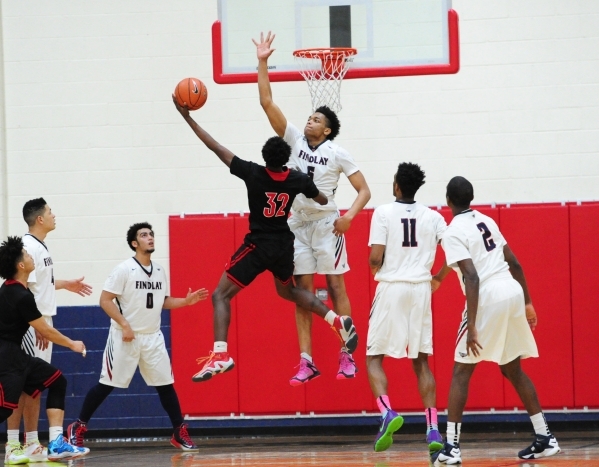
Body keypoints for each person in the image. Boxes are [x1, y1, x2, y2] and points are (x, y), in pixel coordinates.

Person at [172, 96, 359, 383]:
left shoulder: (253, 173)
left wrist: (187, 118)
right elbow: (321, 197)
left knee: (220, 295)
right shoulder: (296, 179)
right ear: (287, 158)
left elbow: (215, 147)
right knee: (289, 292)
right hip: (285, 244)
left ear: (264, 156)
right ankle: (334, 319)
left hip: (258, 245)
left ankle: (221, 354)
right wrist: (316, 191)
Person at [254, 32, 371, 385]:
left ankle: (346, 356)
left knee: (336, 289)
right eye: (309, 117)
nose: (310, 120)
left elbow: (364, 190)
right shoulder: (293, 140)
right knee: (302, 294)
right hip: (296, 225)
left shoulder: (338, 153)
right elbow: (267, 102)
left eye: (317, 119)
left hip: (326, 224)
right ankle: (307, 361)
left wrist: (349, 217)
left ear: (328, 128)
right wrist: (262, 61)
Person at [431, 176, 561, 463]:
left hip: (487, 294)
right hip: (512, 291)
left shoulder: (452, 231)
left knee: (461, 371)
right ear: (470, 197)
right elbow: (514, 262)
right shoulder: (487, 221)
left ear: (448, 201)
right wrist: (527, 302)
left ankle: (451, 449)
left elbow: (472, 276)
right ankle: (545, 437)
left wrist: (473, 325)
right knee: (512, 367)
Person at [66, 223, 208, 452]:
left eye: (151, 234)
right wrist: (124, 325)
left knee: (166, 385)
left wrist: (185, 302)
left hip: (152, 337)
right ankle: (77, 427)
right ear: (134, 243)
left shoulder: (160, 270)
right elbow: (105, 300)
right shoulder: (124, 270)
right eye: (144, 235)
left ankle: (178, 431)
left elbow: (162, 302)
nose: (150, 238)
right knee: (107, 384)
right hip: (125, 337)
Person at [367, 163, 446, 453]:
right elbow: (456, 251)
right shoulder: (434, 217)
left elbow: (375, 258)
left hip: (391, 286)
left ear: (397, 186)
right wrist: (438, 277)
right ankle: (433, 429)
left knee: (374, 358)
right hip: (421, 289)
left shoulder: (383, 212)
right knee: (421, 362)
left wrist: (376, 263)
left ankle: (388, 412)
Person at [6, 198, 92, 463]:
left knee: (35, 387)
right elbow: (26, 290)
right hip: (33, 325)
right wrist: (37, 324)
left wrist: (66, 284)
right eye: (50, 212)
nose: (54, 215)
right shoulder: (27, 247)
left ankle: (31, 443)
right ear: (40, 219)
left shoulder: (40, 247)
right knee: (21, 386)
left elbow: (41, 285)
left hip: (40, 321)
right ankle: (13, 445)